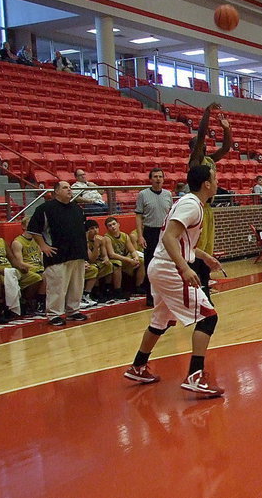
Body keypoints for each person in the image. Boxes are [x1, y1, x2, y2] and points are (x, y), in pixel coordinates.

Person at [123, 164, 226, 397]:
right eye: (215, 178)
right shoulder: (191, 205)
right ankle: (195, 375)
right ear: (206, 184)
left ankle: (138, 365)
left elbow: (179, 241)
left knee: (160, 320)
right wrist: (185, 268)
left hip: (161, 267)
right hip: (170, 268)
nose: (218, 181)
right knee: (208, 318)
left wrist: (206, 257)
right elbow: (170, 238)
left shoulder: (190, 203)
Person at [28, 181, 89, 326]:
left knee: (77, 285)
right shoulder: (45, 208)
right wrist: (43, 246)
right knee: (57, 287)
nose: (69, 190)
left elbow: (82, 231)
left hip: (77, 253)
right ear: (56, 191)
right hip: (57, 255)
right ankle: (54, 314)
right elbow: (34, 229)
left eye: (70, 187)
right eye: (65, 188)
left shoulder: (77, 208)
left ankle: (73, 310)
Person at [188, 102, 232, 302]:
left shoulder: (210, 159)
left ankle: (203, 288)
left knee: (207, 250)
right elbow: (202, 134)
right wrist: (206, 111)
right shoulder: (195, 160)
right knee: (198, 250)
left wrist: (226, 129)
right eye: (199, 143)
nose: (203, 144)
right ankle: (197, 290)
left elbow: (226, 148)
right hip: (198, 207)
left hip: (208, 207)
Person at [0, 221, 42, 318]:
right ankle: (5, 309)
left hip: (11, 270)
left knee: (36, 278)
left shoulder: (0, 241)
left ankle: (23, 302)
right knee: (2, 283)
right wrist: (0, 271)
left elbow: (12, 258)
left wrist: (20, 266)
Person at [135, 168, 173, 307]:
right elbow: (138, 216)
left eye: (160, 176)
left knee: (166, 262)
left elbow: (170, 215)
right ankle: (150, 296)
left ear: (163, 179)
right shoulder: (143, 195)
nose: (158, 179)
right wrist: (140, 235)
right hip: (150, 232)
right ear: (150, 179)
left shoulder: (168, 194)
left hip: (164, 232)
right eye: (155, 176)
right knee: (150, 264)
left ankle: (166, 294)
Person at [9, 216, 47, 315]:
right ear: (23, 226)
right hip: (26, 270)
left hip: (39, 267)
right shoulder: (17, 242)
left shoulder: (37, 239)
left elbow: (41, 256)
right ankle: (35, 303)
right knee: (43, 276)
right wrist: (35, 267)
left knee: (54, 272)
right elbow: (19, 262)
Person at [103, 216, 145, 300]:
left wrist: (135, 257)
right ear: (107, 228)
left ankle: (138, 286)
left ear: (118, 224)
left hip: (123, 258)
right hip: (112, 260)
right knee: (117, 264)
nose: (113, 227)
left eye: (114, 224)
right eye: (110, 225)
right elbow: (112, 255)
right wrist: (129, 260)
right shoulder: (107, 238)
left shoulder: (124, 236)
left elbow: (133, 251)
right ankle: (117, 290)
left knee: (141, 260)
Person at [83, 219, 113, 306]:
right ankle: (91, 293)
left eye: (96, 227)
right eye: (92, 228)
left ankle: (106, 290)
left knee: (110, 265)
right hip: (89, 263)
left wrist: (106, 258)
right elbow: (91, 260)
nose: (95, 230)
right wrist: (96, 246)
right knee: (95, 268)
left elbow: (104, 255)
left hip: (97, 262)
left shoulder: (102, 239)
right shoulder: (85, 241)